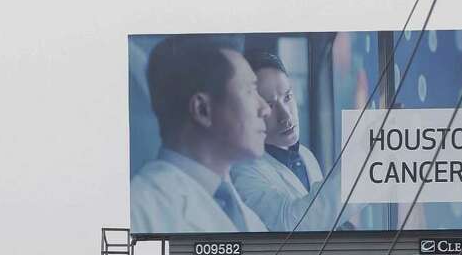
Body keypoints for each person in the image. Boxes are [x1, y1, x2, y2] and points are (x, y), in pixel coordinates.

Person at [131, 36, 269, 234]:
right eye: (250, 90)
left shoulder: (244, 215)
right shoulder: (139, 211)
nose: (265, 109)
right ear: (202, 109)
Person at [232, 52, 335, 233]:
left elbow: (323, 215)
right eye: (270, 105)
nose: (286, 116)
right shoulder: (242, 173)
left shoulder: (306, 155)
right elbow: (292, 222)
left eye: (287, 97)